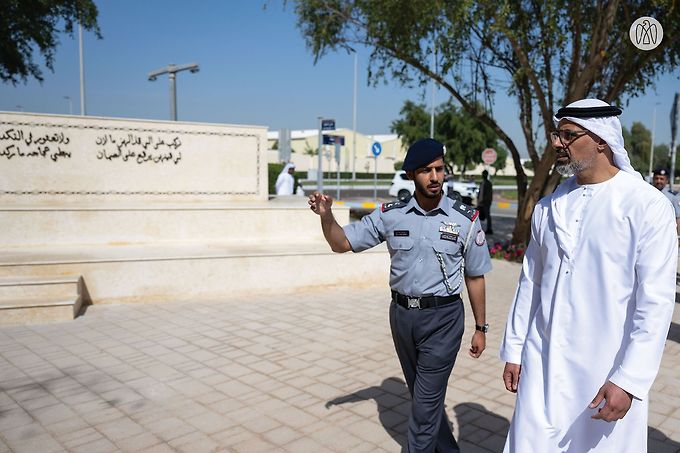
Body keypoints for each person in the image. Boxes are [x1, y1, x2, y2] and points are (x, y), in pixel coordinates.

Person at [499, 99, 677, 452]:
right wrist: (515, 348)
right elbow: (530, 282)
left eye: (567, 134)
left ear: (601, 140)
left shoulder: (646, 206)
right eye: (556, 134)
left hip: (604, 370)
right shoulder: (548, 207)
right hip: (542, 364)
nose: (556, 144)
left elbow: (654, 303)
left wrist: (628, 380)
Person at [310, 138, 492, 452]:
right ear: (411, 175)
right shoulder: (390, 215)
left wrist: (480, 328)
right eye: (426, 171)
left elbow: (475, 276)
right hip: (402, 317)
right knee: (425, 400)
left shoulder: (465, 219)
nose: (435, 177)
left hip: (444, 320)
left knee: (423, 410)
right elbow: (341, 243)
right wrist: (326, 216)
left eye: (439, 169)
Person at [651, 167, 680, 246]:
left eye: (661, 179)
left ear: (666, 181)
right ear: (653, 179)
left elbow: (678, 218)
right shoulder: (647, 193)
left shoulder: (673, 197)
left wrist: (678, 236)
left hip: (666, 234)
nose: (659, 181)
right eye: (656, 178)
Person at [478, 170, 493, 234]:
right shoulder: (482, 183)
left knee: (487, 216)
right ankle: (477, 229)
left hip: (485, 203)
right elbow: (480, 192)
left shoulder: (488, 183)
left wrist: (484, 201)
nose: (483, 175)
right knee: (478, 216)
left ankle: (489, 229)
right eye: (483, 174)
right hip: (480, 202)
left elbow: (488, 194)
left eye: (484, 174)